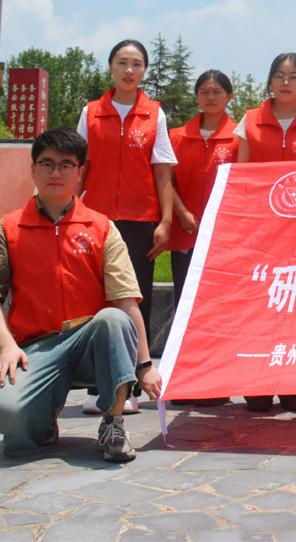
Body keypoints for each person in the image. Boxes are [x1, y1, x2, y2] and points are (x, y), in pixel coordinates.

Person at [0, 127, 162, 462]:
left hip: (90, 343)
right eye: (46, 164)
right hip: (36, 347)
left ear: (80, 171)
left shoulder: (101, 227)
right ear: (32, 169)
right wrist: (7, 347)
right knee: (3, 413)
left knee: (113, 318)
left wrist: (145, 364)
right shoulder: (9, 228)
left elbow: (126, 299)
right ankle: (44, 418)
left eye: (65, 165)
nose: (55, 173)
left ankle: (113, 423)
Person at [76, 39, 179, 415]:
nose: (129, 70)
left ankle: (131, 385)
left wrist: (165, 220)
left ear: (144, 71)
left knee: (135, 300)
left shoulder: (155, 114)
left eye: (137, 64)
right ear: (111, 68)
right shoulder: (90, 112)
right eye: (122, 62)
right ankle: (97, 386)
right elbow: (79, 167)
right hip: (96, 219)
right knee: (96, 300)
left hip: (139, 221)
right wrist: (70, 212)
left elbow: (163, 171)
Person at [234, 52, 296, 412]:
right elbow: (241, 178)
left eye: (294, 76)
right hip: (260, 233)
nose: (286, 82)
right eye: (279, 76)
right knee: (261, 305)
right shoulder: (249, 121)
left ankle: (293, 384)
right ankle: (257, 383)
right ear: (270, 82)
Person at [165, 70, 238, 408]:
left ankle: (215, 382)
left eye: (217, 91)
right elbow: (166, 180)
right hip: (186, 235)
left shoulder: (239, 138)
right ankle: (184, 382)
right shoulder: (176, 137)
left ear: (229, 97)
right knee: (186, 309)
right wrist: (181, 212)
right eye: (205, 91)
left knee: (219, 311)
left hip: (224, 239)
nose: (211, 97)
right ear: (197, 96)